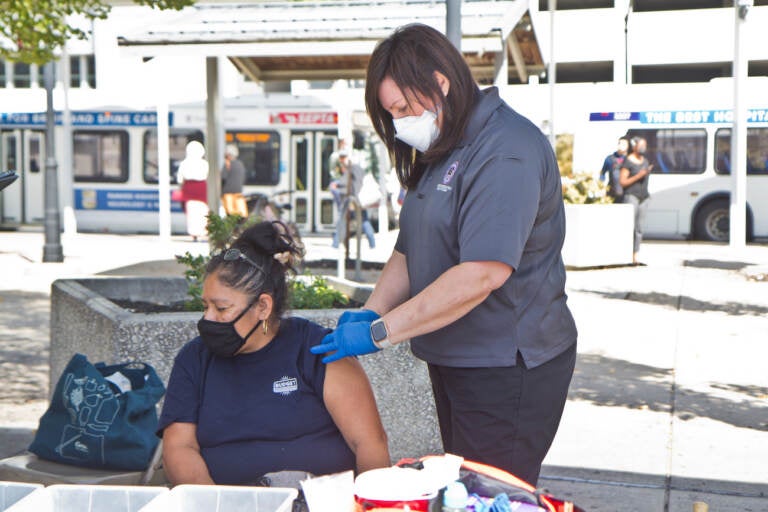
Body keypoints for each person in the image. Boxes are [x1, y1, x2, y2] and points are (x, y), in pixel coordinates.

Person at [311, 24, 577, 487]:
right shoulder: (440, 145)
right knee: (463, 486)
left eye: (402, 109)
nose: (398, 124)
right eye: (390, 113)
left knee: (493, 492)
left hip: (506, 365)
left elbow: (480, 275)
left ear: (440, 84)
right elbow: (410, 245)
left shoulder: (505, 152)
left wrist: (380, 332)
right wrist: (370, 309)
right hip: (456, 357)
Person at [158, 221, 389, 485]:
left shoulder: (319, 349)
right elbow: (179, 449)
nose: (207, 318)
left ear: (263, 306)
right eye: (205, 306)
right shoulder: (194, 359)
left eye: (221, 309)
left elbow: (370, 443)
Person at [331, 150, 376, 249]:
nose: (341, 160)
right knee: (363, 221)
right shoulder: (358, 169)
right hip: (358, 201)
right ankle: (372, 243)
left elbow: (345, 182)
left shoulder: (352, 168)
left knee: (342, 220)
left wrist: (336, 184)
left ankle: (335, 243)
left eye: (343, 157)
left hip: (353, 200)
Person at [619, 137, 653, 266]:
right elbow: (623, 182)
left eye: (645, 145)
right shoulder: (628, 161)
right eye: (641, 145)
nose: (643, 148)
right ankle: (625, 255)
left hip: (644, 197)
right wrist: (639, 175)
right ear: (634, 146)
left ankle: (635, 257)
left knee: (639, 228)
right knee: (629, 227)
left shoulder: (645, 161)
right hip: (631, 196)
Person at [176, 140, 209, 242]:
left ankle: (194, 233)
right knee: (203, 210)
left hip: (188, 188)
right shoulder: (204, 163)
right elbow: (208, 176)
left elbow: (179, 179)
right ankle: (203, 232)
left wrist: (180, 188)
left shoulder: (184, 163)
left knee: (191, 211)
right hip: (202, 189)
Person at [221, 144, 248, 218]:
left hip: (228, 195)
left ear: (228, 155)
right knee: (241, 216)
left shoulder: (227, 164)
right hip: (239, 194)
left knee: (230, 216)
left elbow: (223, 177)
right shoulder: (241, 164)